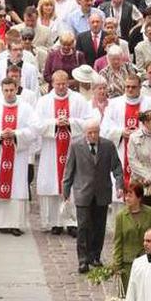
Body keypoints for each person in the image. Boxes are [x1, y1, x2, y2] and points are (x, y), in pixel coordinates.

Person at [63, 118, 124, 274]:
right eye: (89, 132)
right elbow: (69, 170)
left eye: (95, 132)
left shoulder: (108, 146)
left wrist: (119, 185)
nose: (92, 135)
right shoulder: (76, 146)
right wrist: (66, 191)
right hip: (83, 192)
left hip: (102, 193)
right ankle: (83, 260)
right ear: (85, 133)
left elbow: (117, 167)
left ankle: (95, 256)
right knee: (83, 227)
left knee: (99, 227)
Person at [35, 70, 92, 235]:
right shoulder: (44, 101)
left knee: (74, 184)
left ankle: (73, 222)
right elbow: (37, 124)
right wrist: (54, 123)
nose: (61, 87)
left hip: (73, 148)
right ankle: (55, 222)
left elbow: (89, 121)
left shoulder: (78, 99)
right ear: (52, 83)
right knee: (53, 185)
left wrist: (70, 123)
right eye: (58, 84)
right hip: (51, 149)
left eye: (64, 83)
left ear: (68, 83)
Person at [0, 78, 37, 236]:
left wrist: (16, 134)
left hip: (17, 156)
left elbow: (33, 130)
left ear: (17, 88)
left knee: (15, 187)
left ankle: (14, 223)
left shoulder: (26, 109)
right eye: (6, 90)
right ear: (2, 90)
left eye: (12, 90)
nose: (9, 93)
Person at [100, 75, 151, 203]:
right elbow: (104, 130)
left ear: (140, 87)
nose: (130, 89)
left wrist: (142, 133)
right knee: (121, 197)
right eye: (127, 87)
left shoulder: (150, 103)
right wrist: (120, 132)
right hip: (120, 151)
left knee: (146, 201)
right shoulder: (115, 104)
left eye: (133, 87)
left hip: (146, 156)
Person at [112, 183, 151, 290]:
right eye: (125, 195)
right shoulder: (121, 216)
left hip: (148, 261)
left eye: (130, 195)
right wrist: (117, 265)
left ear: (139, 197)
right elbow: (118, 242)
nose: (126, 198)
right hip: (128, 264)